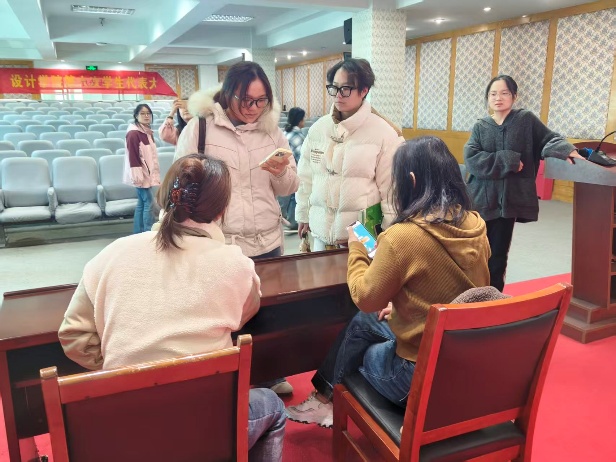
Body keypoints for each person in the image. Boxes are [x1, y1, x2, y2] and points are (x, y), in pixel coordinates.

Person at [59, 154, 286, 461]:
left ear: (164, 197)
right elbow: (244, 314)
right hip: (207, 427)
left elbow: (73, 335)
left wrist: (120, 367)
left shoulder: (110, 255)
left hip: (124, 430)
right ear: (222, 210)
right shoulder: (237, 265)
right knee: (272, 405)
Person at [286, 136, 491, 428]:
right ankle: (324, 399)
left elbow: (365, 297)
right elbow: (460, 290)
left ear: (411, 180)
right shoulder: (475, 225)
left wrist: (357, 247)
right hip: (461, 359)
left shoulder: (402, 237)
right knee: (367, 321)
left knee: (363, 350)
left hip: (415, 377)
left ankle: (328, 400)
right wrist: (400, 306)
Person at [464, 74, 584, 291]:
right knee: (474, 252)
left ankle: (493, 297)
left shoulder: (525, 120)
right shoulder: (481, 126)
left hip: (509, 202)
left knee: (498, 255)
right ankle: (472, 295)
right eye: (493, 94)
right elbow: (471, 159)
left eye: (504, 93)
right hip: (481, 199)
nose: (498, 98)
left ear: (514, 96)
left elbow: (549, 139)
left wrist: (568, 150)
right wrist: (508, 160)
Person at [175, 61, 299, 259]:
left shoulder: (271, 132)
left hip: (268, 243)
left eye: (261, 100)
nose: (253, 108)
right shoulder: (200, 128)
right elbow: (180, 185)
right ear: (228, 94)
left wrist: (281, 173)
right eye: (245, 100)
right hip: (217, 244)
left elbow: (289, 188)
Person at [295, 58, 404, 251]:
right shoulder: (319, 129)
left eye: (346, 88)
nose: (338, 95)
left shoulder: (385, 134)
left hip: (363, 239)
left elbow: (392, 191)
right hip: (321, 233)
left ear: (364, 91)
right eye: (334, 88)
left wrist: (389, 234)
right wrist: (303, 214)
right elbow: (305, 178)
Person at [123, 103, 160, 234]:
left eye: (148, 113)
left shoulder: (146, 132)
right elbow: (133, 156)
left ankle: (138, 232)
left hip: (146, 174)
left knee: (142, 203)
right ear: (136, 116)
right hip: (140, 175)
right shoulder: (133, 133)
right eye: (142, 113)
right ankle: (148, 232)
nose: (146, 116)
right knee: (149, 203)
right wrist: (138, 177)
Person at [279, 106, 306, 230]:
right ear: (300, 120)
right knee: (295, 196)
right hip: (294, 171)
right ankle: (293, 221)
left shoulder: (284, 133)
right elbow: (302, 158)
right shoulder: (298, 136)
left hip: (282, 171)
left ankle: (286, 219)